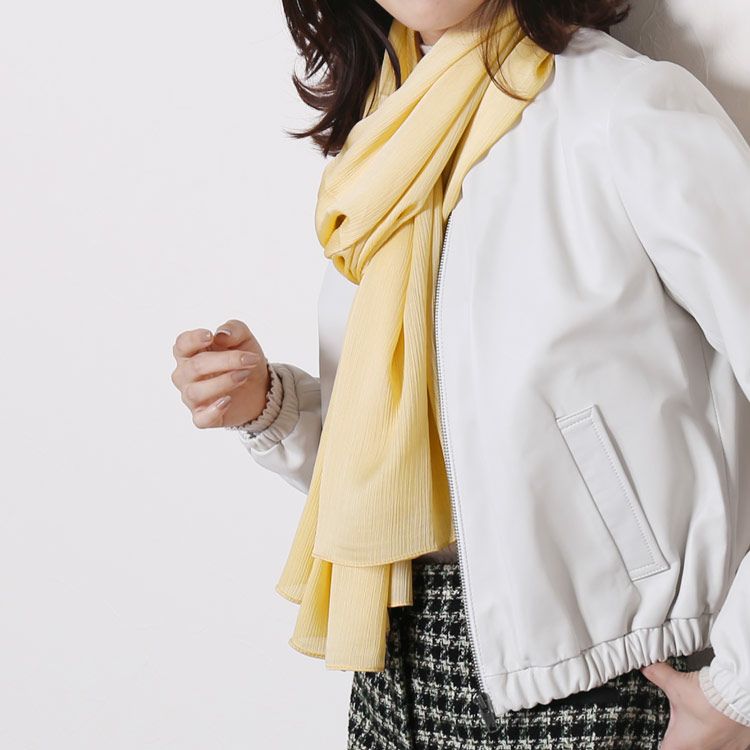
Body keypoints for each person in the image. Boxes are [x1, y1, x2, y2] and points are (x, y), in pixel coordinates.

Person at [170, 0, 750, 747]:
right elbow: (417, 471)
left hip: (600, 680)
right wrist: (271, 408)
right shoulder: (384, 147)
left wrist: (735, 694)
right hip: (395, 674)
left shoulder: (626, 111)